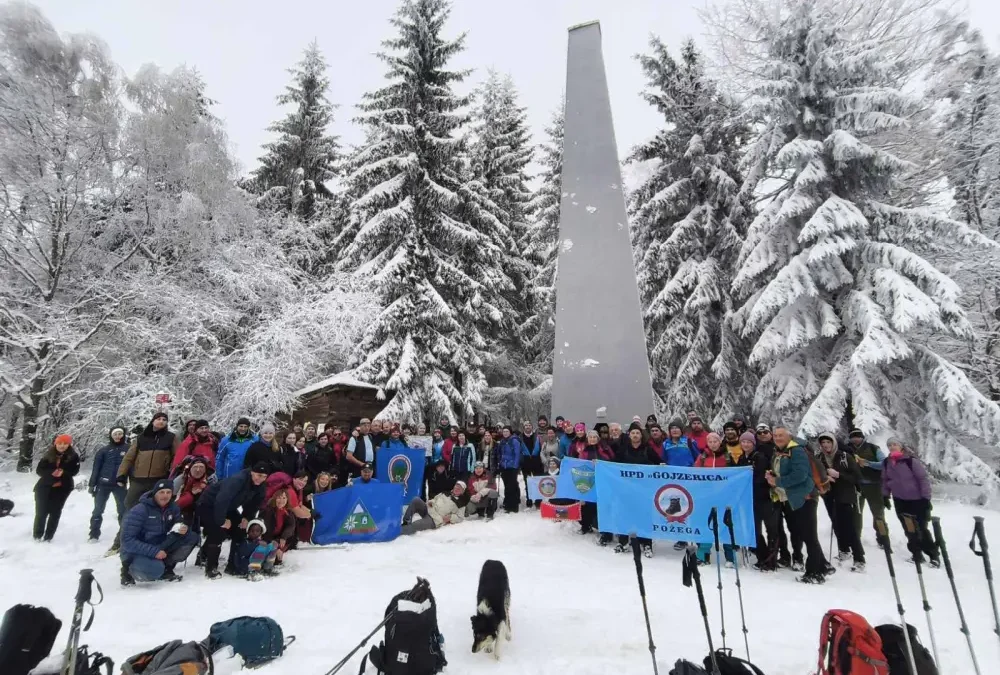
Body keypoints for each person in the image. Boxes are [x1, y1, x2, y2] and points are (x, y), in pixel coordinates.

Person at [766, 427, 828, 583]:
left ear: (789, 436)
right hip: (794, 498)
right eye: (775, 435)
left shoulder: (797, 450)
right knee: (807, 534)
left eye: (781, 435)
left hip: (805, 497)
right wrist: (772, 475)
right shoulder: (780, 451)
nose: (777, 438)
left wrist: (777, 481)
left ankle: (814, 573)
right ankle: (822, 566)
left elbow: (800, 475)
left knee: (809, 536)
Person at [116, 412, 179, 548]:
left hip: (158, 481)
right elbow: (129, 458)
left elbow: (177, 457)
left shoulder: (170, 438)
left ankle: (150, 539)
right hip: (138, 479)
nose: (161, 421)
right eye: (158, 419)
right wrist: (122, 474)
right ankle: (121, 540)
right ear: (153, 421)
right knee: (130, 507)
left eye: (164, 420)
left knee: (155, 510)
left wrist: (170, 474)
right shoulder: (141, 438)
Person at [197, 462, 269, 579]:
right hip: (208, 504)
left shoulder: (260, 486)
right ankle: (211, 567)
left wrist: (246, 518)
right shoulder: (238, 480)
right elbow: (221, 499)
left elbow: (255, 504)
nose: (260, 479)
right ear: (251, 472)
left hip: (229, 507)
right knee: (218, 531)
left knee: (240, 528)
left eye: (264, 476)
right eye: (258, 475)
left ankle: (233, 565)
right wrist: (222, 521)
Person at [120, 479, 199, 585]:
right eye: (161, 492)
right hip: (137, 551)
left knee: (191, 537)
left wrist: (182, 528)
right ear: (154, 493)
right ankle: (128, 571)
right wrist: (154, 552)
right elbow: (127, 540)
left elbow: (178, 523)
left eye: (168, 492)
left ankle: (166, 568)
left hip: (159, 544)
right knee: (154, 571)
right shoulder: (140, 510)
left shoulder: (173, 507)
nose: (165, 496)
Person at [882, 438, 939, 567]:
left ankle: (933, 555)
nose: (892, 447)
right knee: (908, 529)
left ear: (901, 446)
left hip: (917, 500)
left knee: (921, 529)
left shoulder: (910, 461)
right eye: (889, 445)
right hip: (900, 501)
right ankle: (916, 554)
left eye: (895, 444)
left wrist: (926, 499)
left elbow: (923, 480)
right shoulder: (887, 462)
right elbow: (885, 480)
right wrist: (885, 496)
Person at [817, 432, 865, 571]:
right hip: (829, 495)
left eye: (828, 442)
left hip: (845, 495)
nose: (826, 445)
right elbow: (817, 474)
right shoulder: (820, 458)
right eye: (823, 443)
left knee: (849, 526)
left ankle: (859, 558)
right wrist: (826, 477)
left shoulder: (845, 456)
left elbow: (856, 477)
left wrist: (838, 475)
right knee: (836, 524)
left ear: (834, 443)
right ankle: (844, 550)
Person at [613, 423, 662, 555]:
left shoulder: (648, 449)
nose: (635, 435)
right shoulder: (623, 449)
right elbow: (612, 465)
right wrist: (599, 464)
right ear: (629, 435)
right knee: (624, 514)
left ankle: (646, 543)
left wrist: (662, 465)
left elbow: (659, 463)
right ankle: (623, 541)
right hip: (626, 489)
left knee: (644, 515)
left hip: (643, 490)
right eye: (633, 433)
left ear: (641, 435)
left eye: (637, 433)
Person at [33, 434, 81, 542]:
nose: (62, 446)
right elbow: (39, 470)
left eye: (65, 443)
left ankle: (48, 537)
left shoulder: (73, 456)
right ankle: (37, 536)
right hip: (44, 487)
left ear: (69, 445)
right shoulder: (48, 454)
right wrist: (51, 473)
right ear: (56, 444)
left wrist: (63, 472)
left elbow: (74, 471)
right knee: (41, 512)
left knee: (55, 512)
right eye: (60, 443)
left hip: (62, 488)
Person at [88, 426, 129, 543]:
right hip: (103, 484)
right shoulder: (103, 450)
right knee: (98, 510)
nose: (117, 436)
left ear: (123, 435)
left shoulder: (128, 449)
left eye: (120, 434)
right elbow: (96, 468)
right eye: (115, 434)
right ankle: (94, 534)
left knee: (122, 510)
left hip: (120, 485)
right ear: (111, 436)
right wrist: (92, 485)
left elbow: (132, 467)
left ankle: (123, 535)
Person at [849, 428, 888, 547]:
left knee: (878, 514)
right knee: (855, 514)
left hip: (874, 485)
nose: (856, 439)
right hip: (856, 486)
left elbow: (884, 464)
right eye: (853, 436)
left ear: (862, 437)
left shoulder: (873, 448)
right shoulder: (847, 449)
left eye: (858, 436)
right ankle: (856, 539)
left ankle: (883, 539)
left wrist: (867, 463)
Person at [401, 482, 469, 535]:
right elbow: (435, 499)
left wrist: (450, 517)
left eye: (459, 489)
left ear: (462, 491)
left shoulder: (461, 503)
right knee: (416, 500)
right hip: (429, 510)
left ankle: (399, 531)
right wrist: (431, 502)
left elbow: (460, 517)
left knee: (415, 525)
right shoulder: (445, 493)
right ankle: (406, 522)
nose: (457, 489)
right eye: (456, 487)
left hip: (434, 519)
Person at [173, 456, 214, 526]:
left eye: (201, 467)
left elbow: (214, 501)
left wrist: (205, 489)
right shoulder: (180, 480)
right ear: (190, 469)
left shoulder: (211, 480)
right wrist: (191, 494)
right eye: (195, 467)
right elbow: (173, 506)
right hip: (184, 512)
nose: (198, 470)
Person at [496, 426, 527, 513]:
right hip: (504, 466)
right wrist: (500, 463)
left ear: (510, 432)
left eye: (507, 431)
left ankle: (513, 506)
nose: (505, 433)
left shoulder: (514, 441)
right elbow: (500, 453)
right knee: (507, 485)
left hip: (512, 466)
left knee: (511, 486)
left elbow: (517, 454)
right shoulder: (502, 441)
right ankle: (509, 502)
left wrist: (515, 466)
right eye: (504, 431)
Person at [261, 490, 295, 565]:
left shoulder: (288, 512)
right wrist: (275, 547)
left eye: (284, 498)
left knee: (277, 558)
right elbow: (267, 532)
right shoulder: (268, 511)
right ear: (275, 498)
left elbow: (291, 526)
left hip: (281, 538)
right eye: (279, 498)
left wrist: (283, 537)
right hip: (268, 538)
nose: (281, 500)